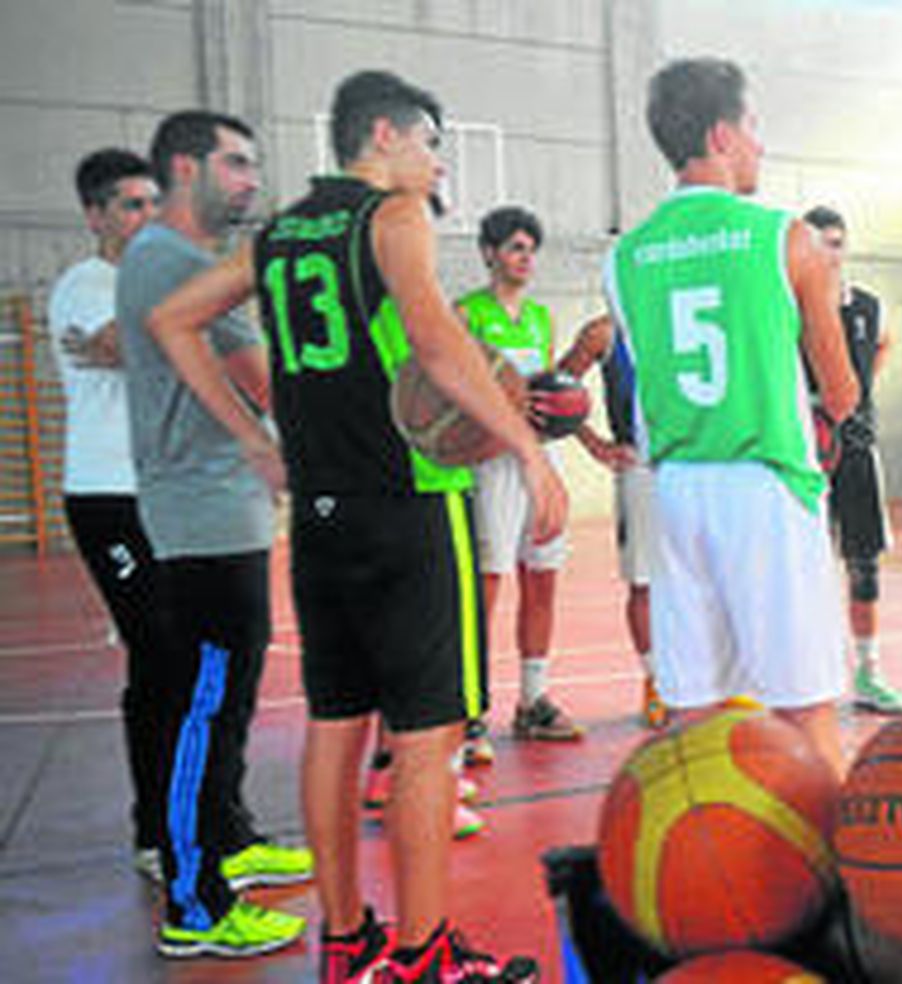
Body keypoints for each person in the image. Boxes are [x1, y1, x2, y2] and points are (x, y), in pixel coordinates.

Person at [148, 71, 562, 982]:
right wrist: (526, 450)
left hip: (323, 519)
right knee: (427, 739)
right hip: (408, 508)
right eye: (430, 143)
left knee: (336, 727)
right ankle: (423, 956)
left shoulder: (280, 234)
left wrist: (258, 439)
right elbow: (441, 348)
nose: (436, 162)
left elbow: (173, 321)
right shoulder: (393, 218)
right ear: (384, 136)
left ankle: (347, 942)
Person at [604, 58, 859, 775]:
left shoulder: (622, 258)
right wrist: (816, 406)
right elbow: (842, 393)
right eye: (752, 127)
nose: (760, 145)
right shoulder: (788, 236)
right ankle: (830, 884)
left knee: (695, 711)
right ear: (721, 135)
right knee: (805, 707)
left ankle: (706, 878)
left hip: (677, 490)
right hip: (767, 487)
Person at [117, 112, 310, 958]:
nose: (247, 179)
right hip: (200, 515)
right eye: (234, 163)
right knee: (204, 702)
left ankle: (227, 841)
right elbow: (261, 379)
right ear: (184, 167)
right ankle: (195, 903)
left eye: (252, 164)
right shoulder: (176, 262)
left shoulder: (168, 259)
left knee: (223, 698)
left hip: (216, 510)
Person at [46, 149, 163, 878]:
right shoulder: (88, 284)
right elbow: (123, 348)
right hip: (107, 498)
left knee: (189, 660)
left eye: (154, 203)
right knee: (157, 658)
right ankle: (157, 835)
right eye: (130, 205)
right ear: (95, 214)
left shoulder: (147, 285)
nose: (146, 218)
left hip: (161, 496)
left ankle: (212, 825)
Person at [456, 205, 582, 746]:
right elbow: (452, 393)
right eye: (514, 248)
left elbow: (547, 393)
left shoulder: (540, 319)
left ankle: (533, 701)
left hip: (538, 459)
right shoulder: (465, 314)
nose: (525, 259)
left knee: (542, 580)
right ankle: (469, 708)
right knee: (485, 587)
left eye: (531, 249)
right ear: (489, 253)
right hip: (489, 460)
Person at [801, 205, 902, 715]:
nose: (830, 252)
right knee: (802, 567)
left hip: (859, 449)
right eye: (820, 242)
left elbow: (885, 344)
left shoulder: (867, 305)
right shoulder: (788, 305)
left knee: (863, 565)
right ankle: (806, 673)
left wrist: (861, 394)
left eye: (837, 242)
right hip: (805, 453)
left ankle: (868, 673)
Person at [557, 312, 670, 729]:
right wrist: (593, 443)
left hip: (691, 463)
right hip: (638, 466)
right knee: (644, 583)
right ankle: (657, 679)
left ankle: (701, 680)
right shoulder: (602, 333)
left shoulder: (675, 309)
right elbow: (553, 391)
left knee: (701, 578)